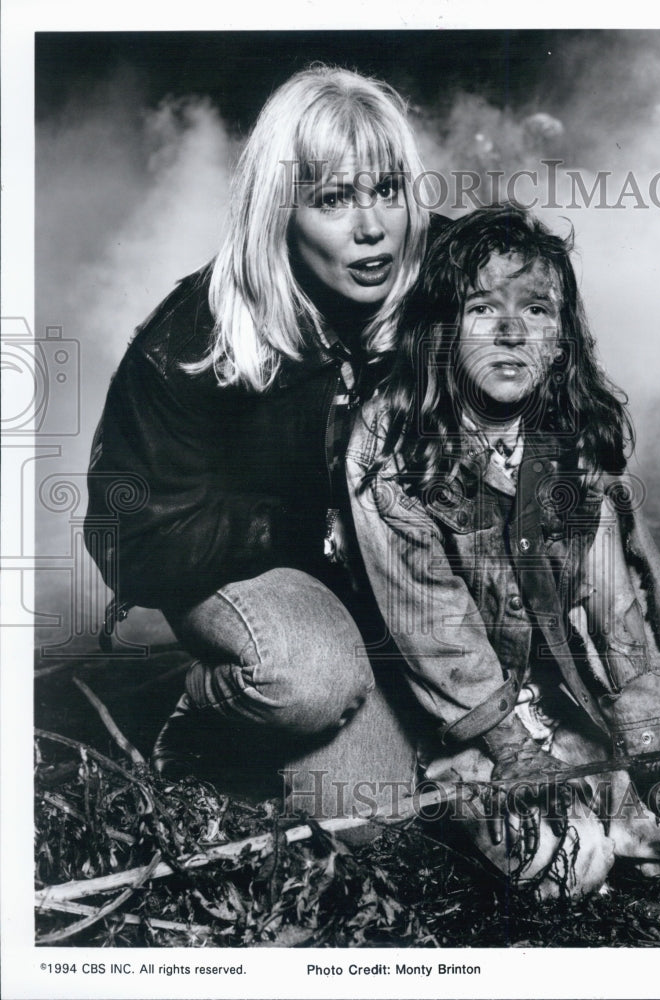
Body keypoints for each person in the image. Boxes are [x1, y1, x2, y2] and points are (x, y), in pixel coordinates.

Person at [346, 204, 660, 895]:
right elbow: (430, 628)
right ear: (440, 332)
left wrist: (655, 753)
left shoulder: (569, 435)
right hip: (449, 707)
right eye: (480, 308)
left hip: (553, 689)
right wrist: (511, 751)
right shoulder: (389, 444)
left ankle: (605, 796)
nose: (509, 332)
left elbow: (616, 613)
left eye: (535, 310)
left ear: (560, 337)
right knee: (569, 865)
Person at [85, 65, 440, 800]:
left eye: (387, 191)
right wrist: (310, 521)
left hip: (387, 582)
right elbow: (130, 541)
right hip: (257, 573)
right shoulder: (190, 337)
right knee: (308, 680)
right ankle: (200, 725)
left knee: (370, 814)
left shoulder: (444, 283)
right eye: (334, 200)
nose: (371, 227)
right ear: (280, 210)